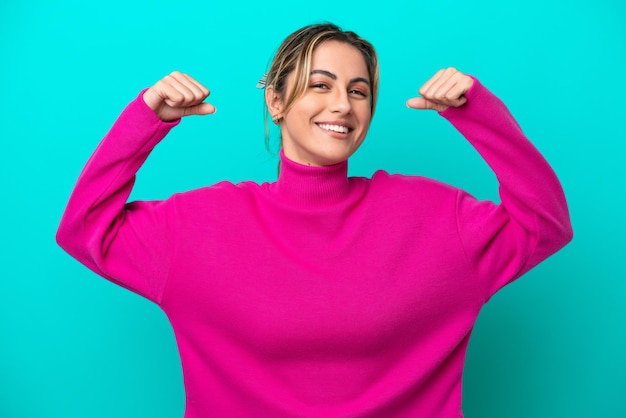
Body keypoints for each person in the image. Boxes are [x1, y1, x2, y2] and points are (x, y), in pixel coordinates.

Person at [57, 23, 573, 418]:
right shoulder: (200, 225)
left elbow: (544, 223)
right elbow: (85, 229)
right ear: (276, 101)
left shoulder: (435, 217)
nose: (341, 106)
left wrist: (475, 112)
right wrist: (147, 118)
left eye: (358, 90)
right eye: (319, 85)